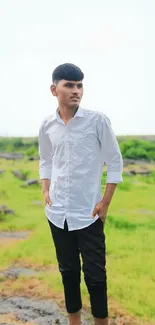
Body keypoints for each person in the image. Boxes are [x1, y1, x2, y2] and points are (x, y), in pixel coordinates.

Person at [38, 63, 123, 325]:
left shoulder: (98, 121)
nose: (76, 91)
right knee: (68, 272)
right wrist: (45, 187)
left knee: (96, 277)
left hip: (88, 213)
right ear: (54, 90)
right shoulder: (47, 125)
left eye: (79, 85)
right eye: (69, 85)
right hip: (57, 214)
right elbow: (45, 159)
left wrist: (105, 202)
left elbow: (115, 161)